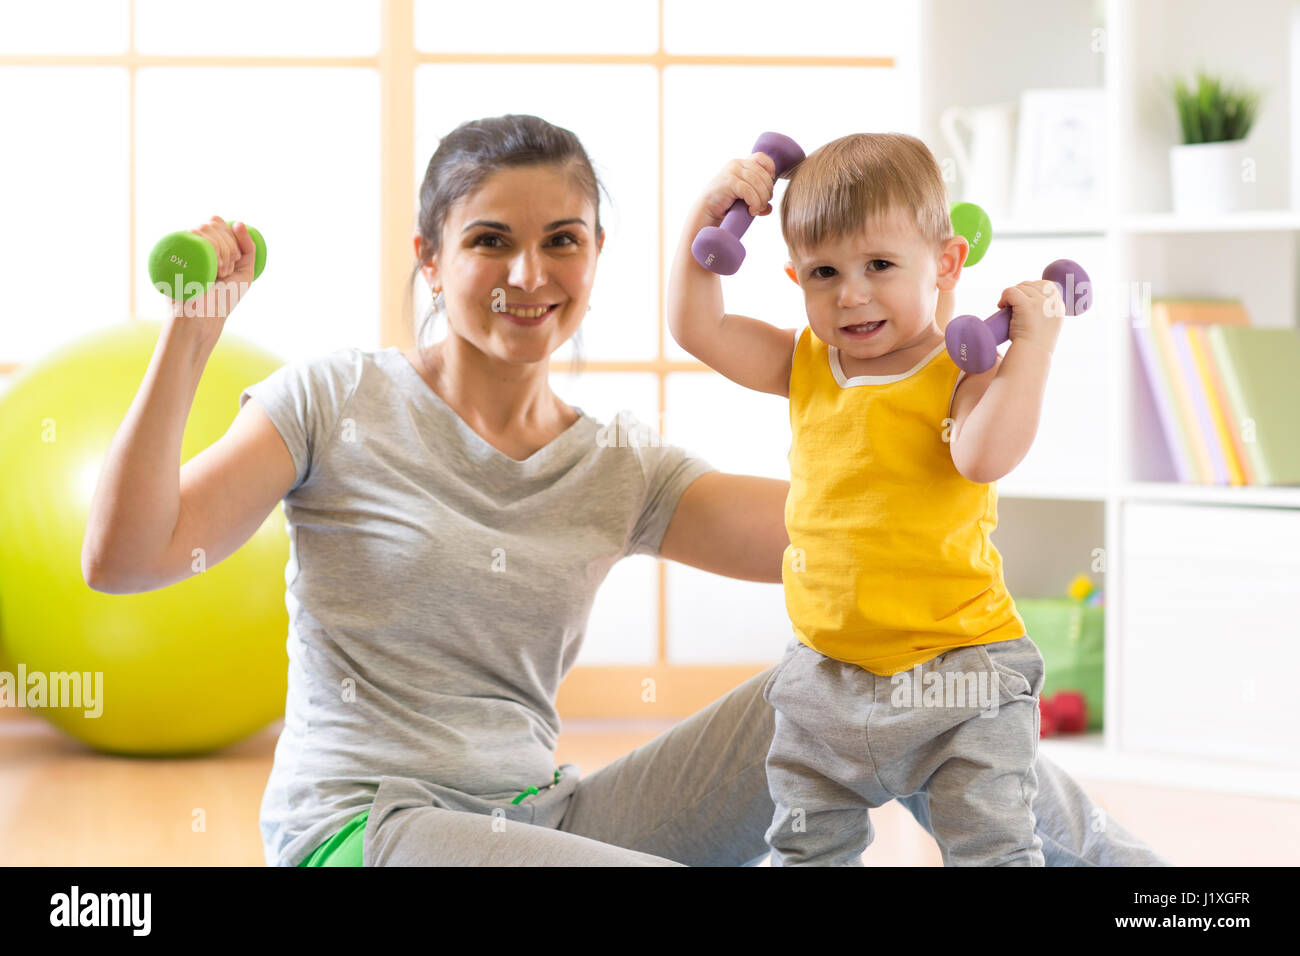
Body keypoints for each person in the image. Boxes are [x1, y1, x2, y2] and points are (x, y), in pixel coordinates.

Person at [84, 114, 1168, 867]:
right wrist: (191, 337)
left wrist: (942, 379)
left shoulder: (614, 461)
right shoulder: (334, 398)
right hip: (370, 825)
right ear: (429, 258)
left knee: (854, 684)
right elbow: (128, 557)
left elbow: (836, 530)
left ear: (594, 257)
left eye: (561, 241)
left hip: (548, 811)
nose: (527, 275)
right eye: (487, 242)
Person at [669, 131, 1075, 866]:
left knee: (992, 845)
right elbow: (699, 327)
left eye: (880, 266)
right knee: (807, 849)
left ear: (944, 263)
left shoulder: (961, 367)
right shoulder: (806, 363)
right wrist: (708, 212)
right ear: (796, 279)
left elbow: (984, 455)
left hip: (960, 670)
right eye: (825, 272)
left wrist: (1033, 351)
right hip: (827, 671)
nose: (851, 293)